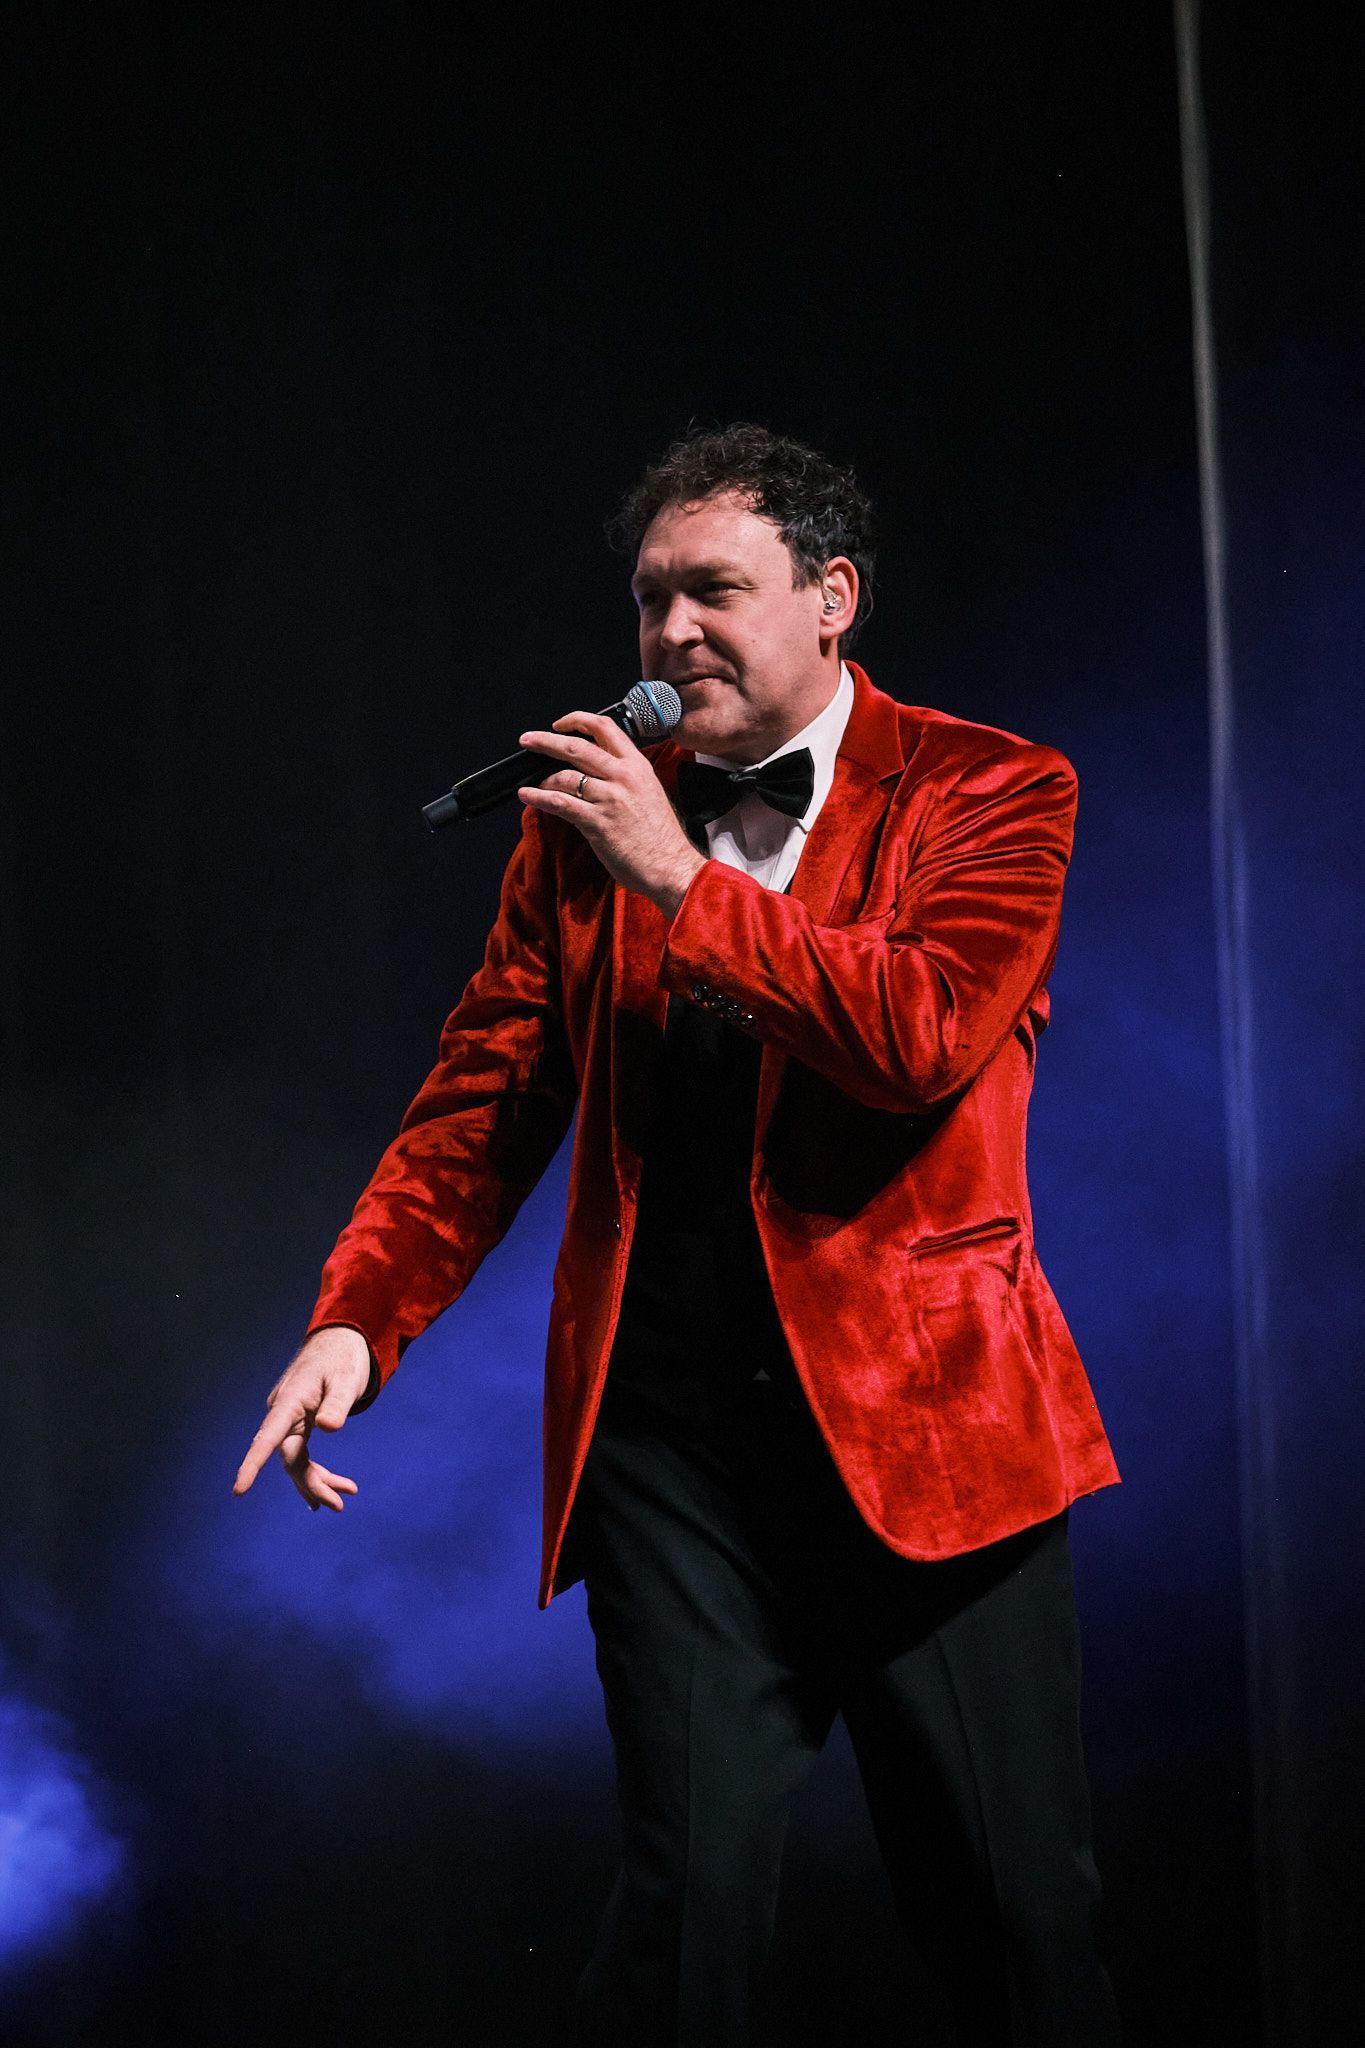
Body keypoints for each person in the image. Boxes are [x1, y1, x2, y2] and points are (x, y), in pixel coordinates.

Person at [234, 423, 1123, 2045]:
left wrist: (676, 881)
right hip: (673, 1451)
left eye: (712, 591)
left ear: (830, 598)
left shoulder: (990, 787)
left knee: (1012, 1920)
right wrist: (359, 1316)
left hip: (934, 1447)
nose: (669, 638)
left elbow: (917, 1033)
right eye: (649, 603)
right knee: (680, 1920)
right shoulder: (583, 831)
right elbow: (482, 1101)